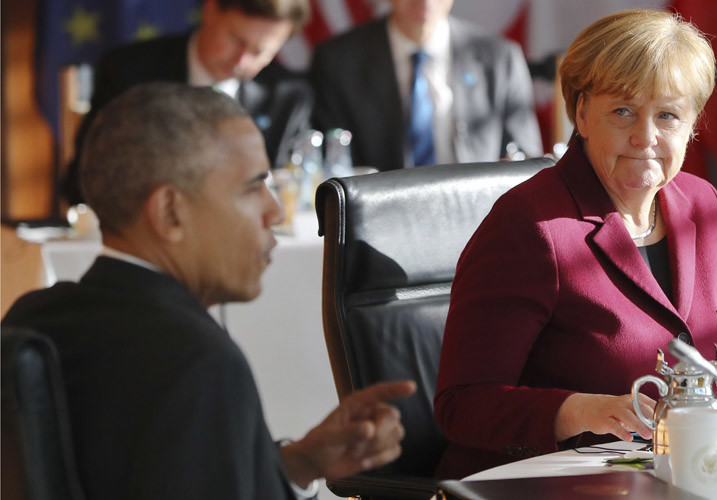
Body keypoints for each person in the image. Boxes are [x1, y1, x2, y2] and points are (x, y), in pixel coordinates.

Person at [432, 9, 717, 480]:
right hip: (548, 484)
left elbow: (713, 374)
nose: (645, 137)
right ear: (581, 113)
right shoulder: (529, 226)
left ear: (692, 124)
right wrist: (577, 411)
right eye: (623, 111)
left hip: (683, 478)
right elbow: (461, 405)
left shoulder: (703, 207)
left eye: (667, 115)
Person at [4, 82, 416, 499]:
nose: (275, 211)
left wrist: (298, 463)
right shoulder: (198, 361)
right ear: (170, 212)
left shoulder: (35, 315)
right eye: (254, 186)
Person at [61, 0, 313, 205]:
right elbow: (84, 181)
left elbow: (285, 188)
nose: (241, 61)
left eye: (260, 52)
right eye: (236, 40)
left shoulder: (288, 95)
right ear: (210, 10)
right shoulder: (129, 71)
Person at [310, 0, 542, 171]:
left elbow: (526, 162)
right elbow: (332, 164)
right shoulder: (338, 60)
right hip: (381, 218)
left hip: (480, 218)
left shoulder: (500, 58)